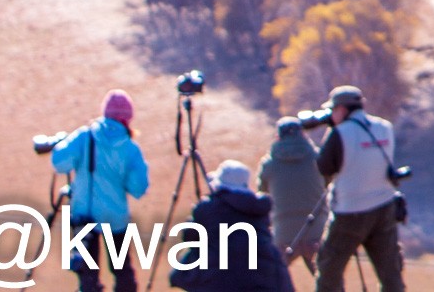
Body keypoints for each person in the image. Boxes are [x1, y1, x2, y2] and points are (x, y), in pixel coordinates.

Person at [51, 89, 149, 292]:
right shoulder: (131, 148)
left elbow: (60, 163)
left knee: (88, 276)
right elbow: (139, 188)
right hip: (116, 218)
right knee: (122, 271)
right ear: (128, 118)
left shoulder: (85, 136)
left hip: (84, 215)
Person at [312, 86, 403, 292]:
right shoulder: (384, 127)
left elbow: (324, 167)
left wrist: (332, 131)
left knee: (329, 269)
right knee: (390, 272)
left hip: (350, 211)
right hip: (384, 206)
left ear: (342, 110)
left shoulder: (340, 134)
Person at [169, 161, 294, 292]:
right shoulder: (258, 209)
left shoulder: (208, 207)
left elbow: (189, 237)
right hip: (265, 280)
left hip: (218, 281)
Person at [257, 118, 324, 274]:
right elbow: (328, 184)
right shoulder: (318, 158)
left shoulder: (269, 164)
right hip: (317, 229)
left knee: (272, 278)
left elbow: (262, 195)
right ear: (303, 134)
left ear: (277, 137)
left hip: (282, 231)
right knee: (329, 280)